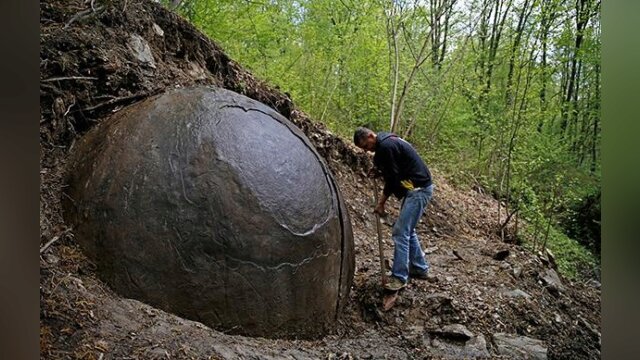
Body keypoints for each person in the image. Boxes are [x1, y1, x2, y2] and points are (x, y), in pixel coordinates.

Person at [353, 127, 434, 291]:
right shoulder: (386, 142)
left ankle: (399, 277)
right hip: (416, 188)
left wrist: (381, 202)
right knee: (408, 231)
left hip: (418, 190)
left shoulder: (386, 146)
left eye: (366, 146)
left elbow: (392, 178)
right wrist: (378, 170)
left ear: (370, 136)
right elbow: (391, 168)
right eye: (363, 149)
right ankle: (419, 268)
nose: (367, 150)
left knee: (400, 231)